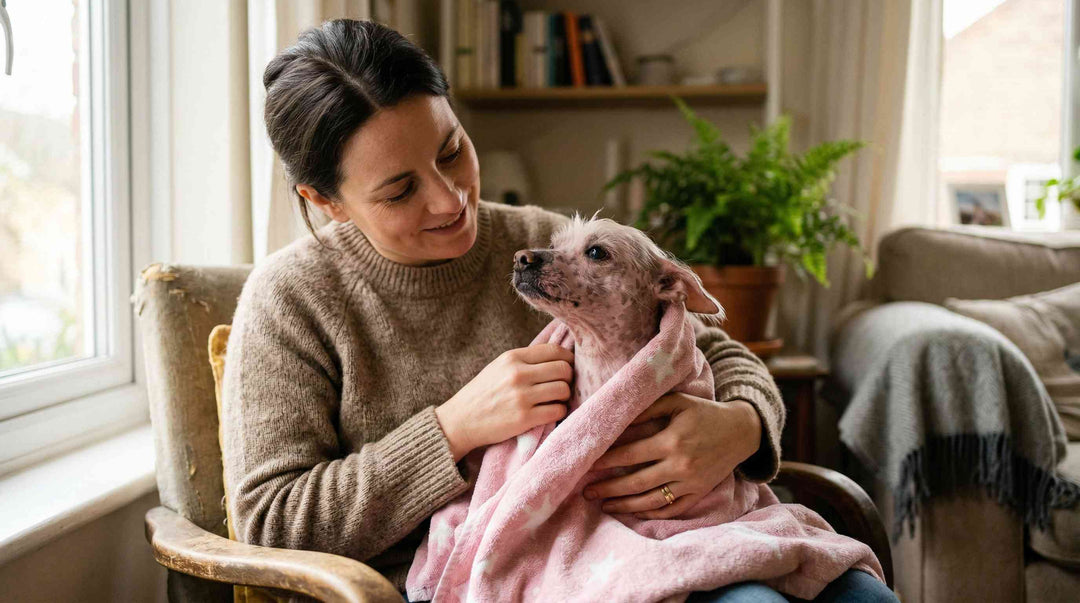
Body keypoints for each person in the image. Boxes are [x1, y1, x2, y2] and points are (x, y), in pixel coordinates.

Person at [220, 18, 894, 603]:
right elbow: (275, 521)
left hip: (654, 542)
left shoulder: (539, 245)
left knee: (862, 592)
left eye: (452, 150)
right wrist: (453, 429)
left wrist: (741, 426)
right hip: (470, 577)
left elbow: (714, 346)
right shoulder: (291, 301)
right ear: (325, 199)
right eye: (399, 190)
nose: (450, 199)